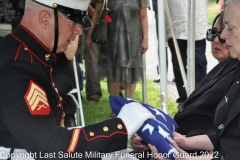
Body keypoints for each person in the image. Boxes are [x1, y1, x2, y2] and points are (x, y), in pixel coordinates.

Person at [0, 0, 155, 158]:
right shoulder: (16, 67)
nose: (79, 30)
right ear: (44, 19)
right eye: (73, 22)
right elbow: (52, 148)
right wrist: (121, 126)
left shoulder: (26, 54)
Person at [130, 12, 238, 159]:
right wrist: (164, 136)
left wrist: (184, 150)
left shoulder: (233, 72)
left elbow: (229, 144)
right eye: (213, 33)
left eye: (229, 29)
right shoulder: (224, 68)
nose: (219, 38)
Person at [86, 0, 149, 101]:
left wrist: (145, 39)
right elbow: (97, 13)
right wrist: (89, 36)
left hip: (134, 37)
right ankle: (115, 106)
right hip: (111, 37)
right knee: (112, 71)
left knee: (132, 69)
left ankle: (129, 104)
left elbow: (143, 16)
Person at [166, 0, 208, 106]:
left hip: (197, 24)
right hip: (176, 25)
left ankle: (200, 97)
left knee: (199, 63)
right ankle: (184, 99)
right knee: (178, 65)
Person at [83, 1, 102, 104]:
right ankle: (93, 94)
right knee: (92, 61)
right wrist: (94, 12)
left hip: (110, 21)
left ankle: (118, 92)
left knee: (113, 59)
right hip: (90, 22)